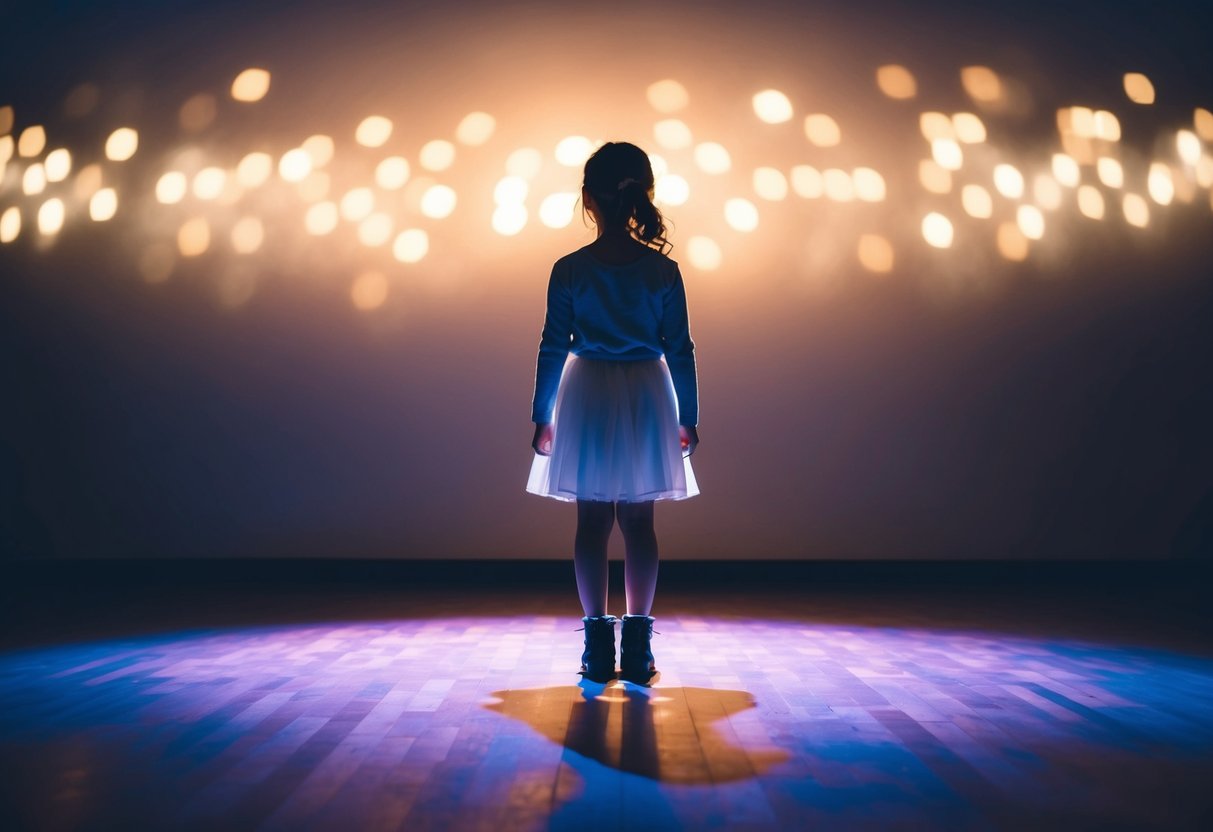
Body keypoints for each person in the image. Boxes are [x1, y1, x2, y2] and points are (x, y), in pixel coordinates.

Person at [526, 141, 700, 685]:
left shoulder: (569, 269)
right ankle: (638, 645)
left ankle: (597, 645)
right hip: (650, 391)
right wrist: (688, 414)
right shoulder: (662, 271)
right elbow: (681, 348)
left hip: (587, 395)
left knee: (591, 522)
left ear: (588, 200)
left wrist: (542, 413)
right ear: (642, 197)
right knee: (640, 523)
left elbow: (553, 344)